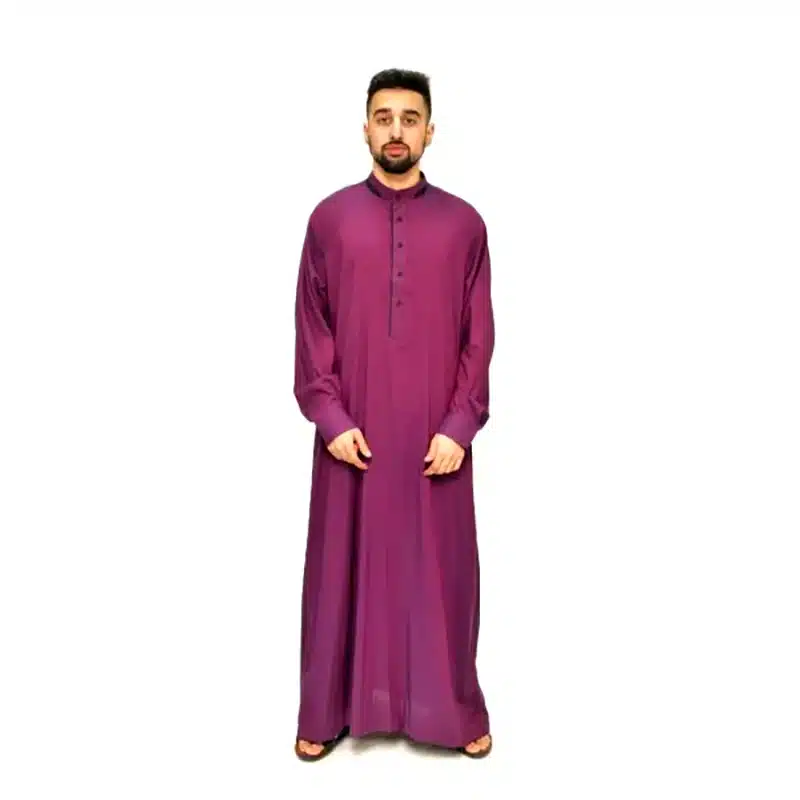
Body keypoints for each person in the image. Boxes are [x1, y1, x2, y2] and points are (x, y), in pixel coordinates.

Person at [292, 68, 495, 761]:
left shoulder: (465, 225)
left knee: (442, 576)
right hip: (352, 436)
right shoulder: (329, 219)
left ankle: (452, 710)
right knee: (340, 572)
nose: (397, 130)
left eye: (410, 118)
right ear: (365, 129)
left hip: (436, 440)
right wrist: (330, 417)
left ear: (430, 131)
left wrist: (460, 425)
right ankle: (326, 711)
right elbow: (311, 327)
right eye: (384, 117)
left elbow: (478, 335)